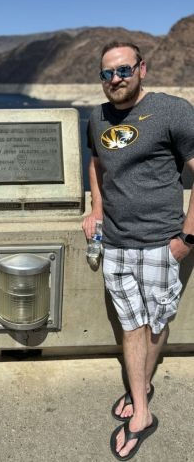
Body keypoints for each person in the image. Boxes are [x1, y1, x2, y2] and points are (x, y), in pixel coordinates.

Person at [82, 42, 194, 460]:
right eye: (107, 73)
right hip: (115, 242)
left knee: (155, 323)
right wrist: (96, 209)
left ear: (142, 69)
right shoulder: (96, 116)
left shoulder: (172, 110)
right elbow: (96, 164)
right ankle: (141, 407)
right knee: (130, 325)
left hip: (160, 243)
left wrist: (187, 238)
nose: (115, 79)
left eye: (123, 70)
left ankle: (141, 387)